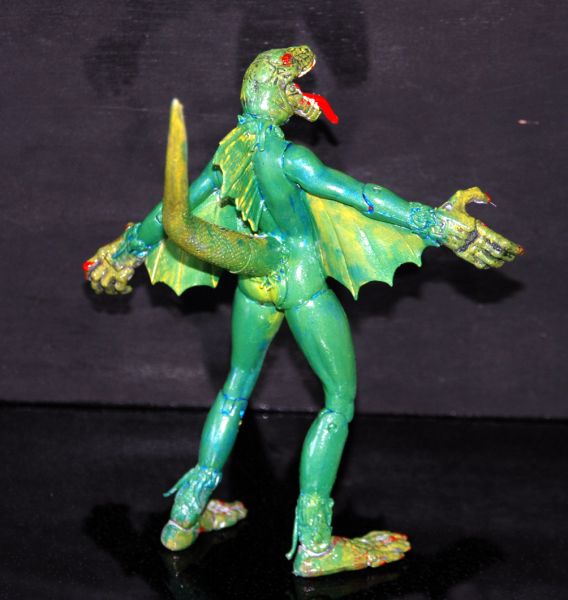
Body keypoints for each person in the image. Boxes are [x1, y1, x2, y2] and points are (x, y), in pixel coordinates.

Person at [84, 46, 523, 577]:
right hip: (300, 282)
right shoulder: (288, 158)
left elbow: (166, 215)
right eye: (290, 83)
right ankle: (314, 544)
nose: (299, 93)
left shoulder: (233, 151)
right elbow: (362, 196)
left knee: (235, 389)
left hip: (255, 282)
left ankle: (183, 518)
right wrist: (434, 223)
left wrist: (125, 249)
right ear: (274, 94)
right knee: (337, 401)